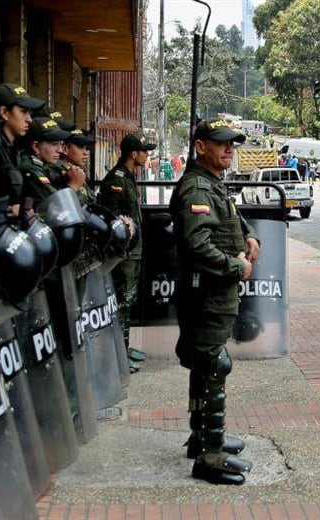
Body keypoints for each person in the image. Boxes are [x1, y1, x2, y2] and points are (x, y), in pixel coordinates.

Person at [169, 119, 258, 485]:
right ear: (200, 146)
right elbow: (198, 246)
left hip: (214, 293)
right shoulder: (197, 189)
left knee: (206, 367)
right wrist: (236, 266)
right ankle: (209, 457)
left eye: (232, 145)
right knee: (213, 365)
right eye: (221, 144)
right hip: (205, 293)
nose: (228, 150)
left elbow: (230, 221)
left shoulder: (212, 185)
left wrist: (250, 236)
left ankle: (204, 437)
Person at [99, 132, 155, 373]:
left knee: (129, 299)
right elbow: (111, 216)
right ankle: (118, 353)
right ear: (134, 154)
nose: (147, 154)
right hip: (124, 253)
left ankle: (125, 346)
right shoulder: (117, 180)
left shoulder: (129, 177)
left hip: (134, 251)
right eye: (144, 151)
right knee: (122, 300)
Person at [0, 83, 45, 213]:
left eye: (29, 113)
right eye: (23, 111)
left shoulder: (12, 147)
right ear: (4, 112)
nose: (29, 119)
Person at [19, 117, 74, 208]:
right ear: (36, 146)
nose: (60, 150)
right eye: (54, 144)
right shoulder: (30, 167)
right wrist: (73, 186)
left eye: (60, 144)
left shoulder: (44, 165)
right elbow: (56, 203)